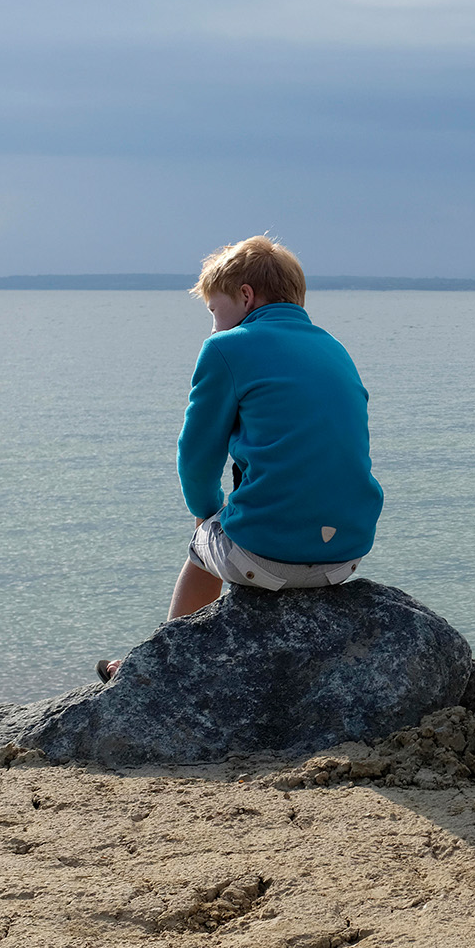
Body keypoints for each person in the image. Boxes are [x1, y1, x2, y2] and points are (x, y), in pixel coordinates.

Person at [99, 236, 384, 682]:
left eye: (215, 310)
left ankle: (159, 670)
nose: (214, 326)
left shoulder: (226, 349)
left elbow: (196, 457)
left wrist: (204, 515)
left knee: (202, 547)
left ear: (246, 296)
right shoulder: (334, 347)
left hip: (269, 555)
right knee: (254, 519)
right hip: (346, 556)